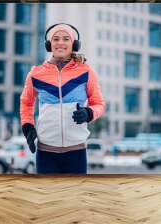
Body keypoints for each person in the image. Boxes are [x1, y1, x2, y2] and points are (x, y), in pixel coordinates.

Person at [20, 23, 105, 174]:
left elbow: (99, 104)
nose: (60, 43)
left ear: (74, 44)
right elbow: (26, 103)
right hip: (45, 152)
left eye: (66, 39)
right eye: (56, 39)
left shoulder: (86, 72)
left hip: (76, 150)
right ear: (49, 44)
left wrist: (89, 113)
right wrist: (28, 127)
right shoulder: (35, 73)